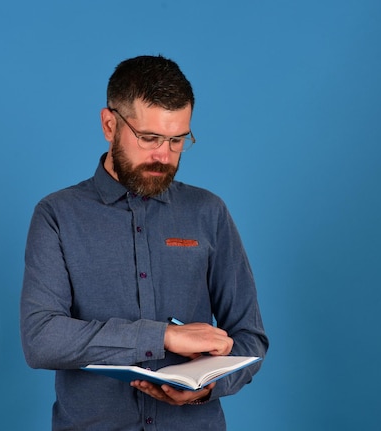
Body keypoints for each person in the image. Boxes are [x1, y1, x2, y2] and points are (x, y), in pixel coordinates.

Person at [20, 54, 269, 430]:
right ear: (109, 124)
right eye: (149, 138)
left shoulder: (209, 212)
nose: (163, 156)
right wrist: (164, 336)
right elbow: (42, 338)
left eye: (177, 140)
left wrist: (206, 389)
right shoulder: (57, 214)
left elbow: (249, 338)